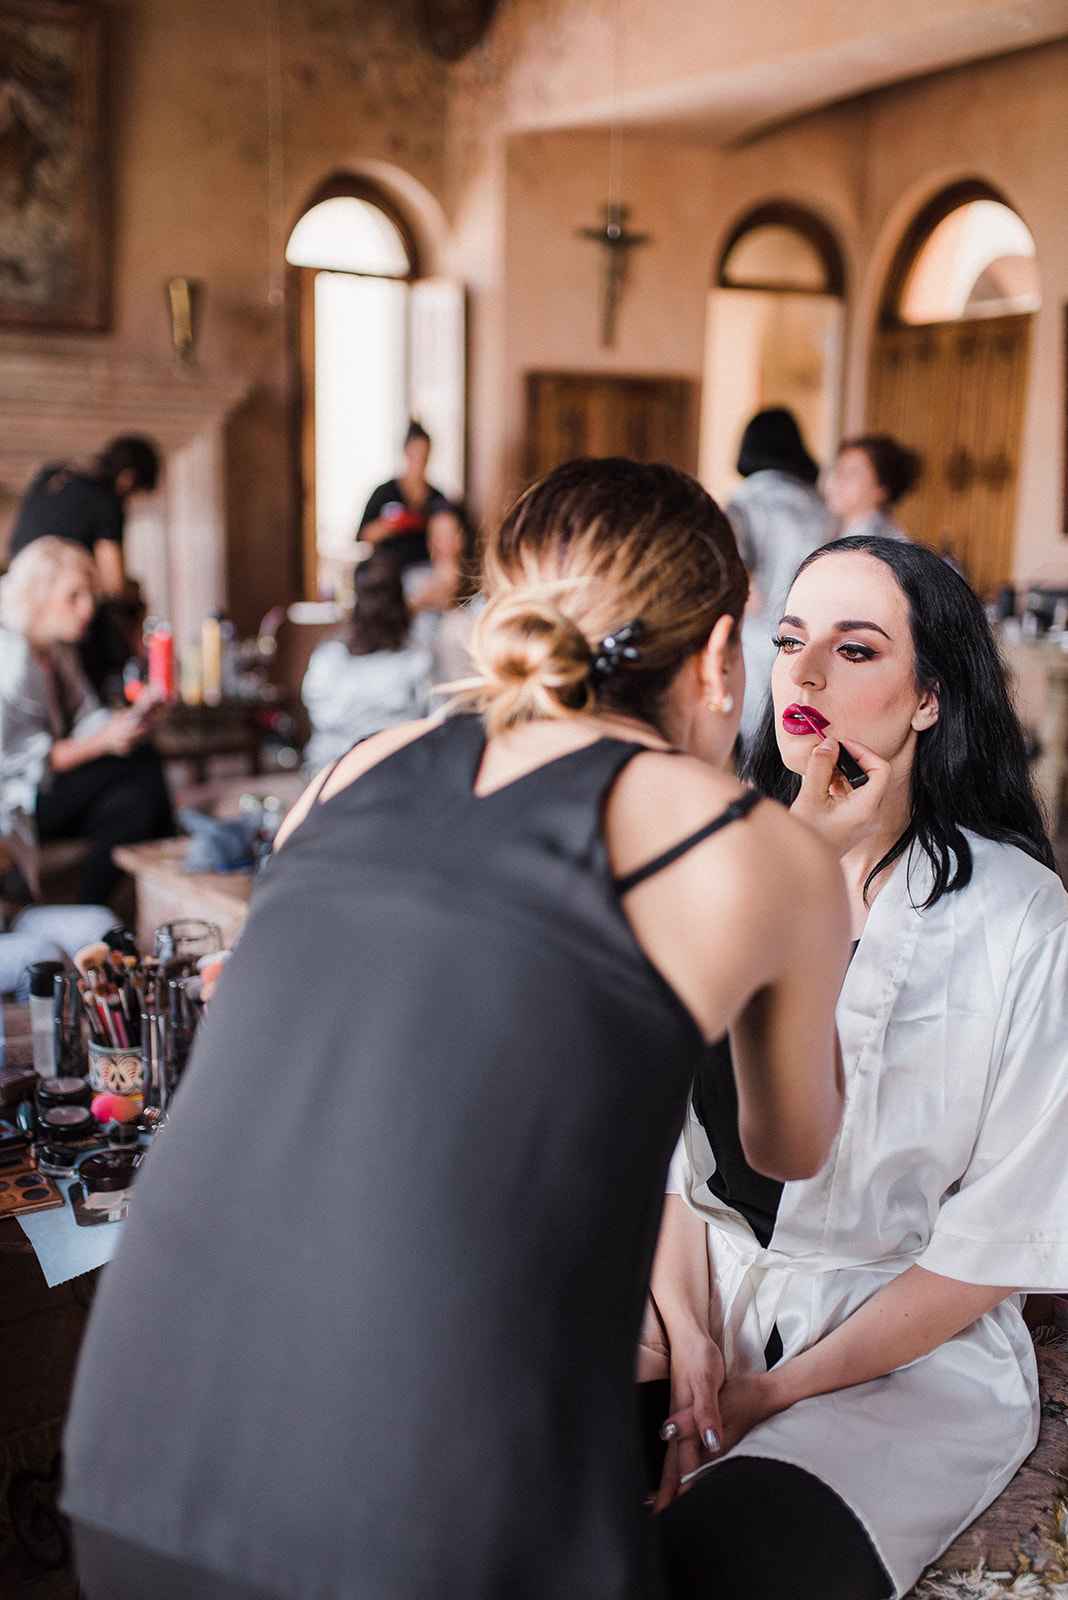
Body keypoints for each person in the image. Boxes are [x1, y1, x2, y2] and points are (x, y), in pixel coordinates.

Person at [62, 458, 851, 1600]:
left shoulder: (348, 775)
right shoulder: (752, 844)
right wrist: (813, 887)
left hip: (138, 1449)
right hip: (429, 1514)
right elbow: (791, 1149)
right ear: (725, 655)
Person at [647, 535, 1068, 1600]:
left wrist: (772, 1392)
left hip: (901, 1366)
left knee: (721, 1565)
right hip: (696, 1296)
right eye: (790, 642)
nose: (807, 673)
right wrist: (693, 1341)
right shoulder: (714, 859)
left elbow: (989, 1247)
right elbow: (659, 1150)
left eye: (856, 647)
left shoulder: (1020, 919)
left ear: (930, 696)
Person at [0, 539, 174, 906]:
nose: (88, 608)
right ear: (37, 595)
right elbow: (23, 761)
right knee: (143, 764)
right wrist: (104, 742)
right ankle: (174, 871)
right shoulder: (11, 657)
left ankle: (91, 914)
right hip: (17, 797)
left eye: (90, 595)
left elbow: (86, 718)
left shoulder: (58, 650)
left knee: (135, 801)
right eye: (74, 596)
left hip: (50, 789)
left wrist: (129, 721)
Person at [9, 436, 161, 693]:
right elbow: (114, 587)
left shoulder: (51, 474)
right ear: (128, 478)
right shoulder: (106, 499)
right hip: (59, 610)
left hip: (20, 603)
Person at [725, 407, 836, 745]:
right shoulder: (822, 506)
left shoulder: (743, 502)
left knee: (755, 740)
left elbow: (730, 558)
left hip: (757, 637)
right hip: (814, 637)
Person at [300, 552, 433, 773]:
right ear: (400, 599)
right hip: (398, 768)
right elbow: (434, 716)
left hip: (333, 768)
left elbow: (318, 712)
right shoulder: (419, 660)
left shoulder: (327, 657)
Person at [357, 419, 449, 570]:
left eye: (424, 455)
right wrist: (391, 524)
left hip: (425, 570)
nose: (420, 460)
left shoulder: (437, 497)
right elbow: (363, 536)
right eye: (415, 454)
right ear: (406, 452)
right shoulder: (385, 492)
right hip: (388, 570)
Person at [824, 434, 921, 541]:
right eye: (840, 469)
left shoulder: (874, 542)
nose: (839, 478)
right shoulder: (838, 527)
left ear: (881, 490)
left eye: (853, 472)